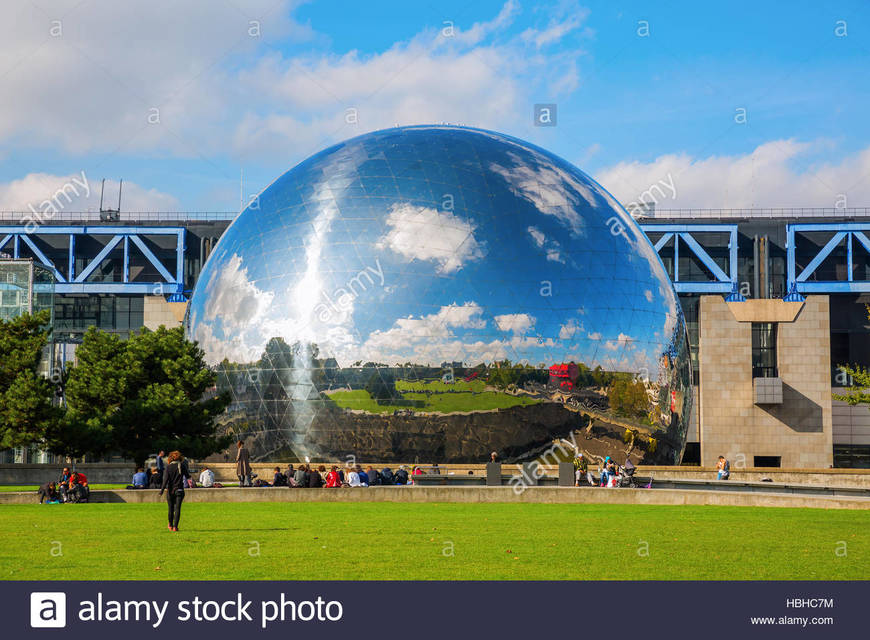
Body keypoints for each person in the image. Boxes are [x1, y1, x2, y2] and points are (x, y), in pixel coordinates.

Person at [159, 450, 190, 532]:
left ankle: (170, 524)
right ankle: (175, 527)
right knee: (178, 509)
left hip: (170, 491)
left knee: (171, 509)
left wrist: (161, 491)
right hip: (179, 490)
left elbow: (165, 480)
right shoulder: (182, 466)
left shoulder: (168, 467)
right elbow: (187, 476)